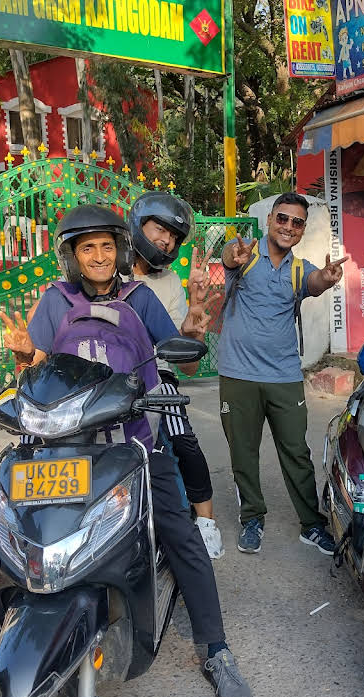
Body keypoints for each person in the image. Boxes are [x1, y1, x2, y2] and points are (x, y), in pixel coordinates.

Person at [0, 204, 252, 697]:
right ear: (71, 254)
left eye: (107, 247)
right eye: (86, 247)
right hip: (65, 448)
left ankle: (216, 649)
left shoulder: (140, 298)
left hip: (133, 442)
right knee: (18, 542)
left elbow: (180, 356)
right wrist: (26, 355)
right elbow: (39, 368)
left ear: (120, 251)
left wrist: (196, 328)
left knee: (181, 535)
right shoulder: (55, 299)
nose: (98, 256)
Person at [218, 192, 346, 555]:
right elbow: (229, 256)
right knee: (243, 452)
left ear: (302, 229)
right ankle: (252, 518)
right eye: (283, 219)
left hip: (284, 375)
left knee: (296, 451)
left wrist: (327, 276)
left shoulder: (298, 268)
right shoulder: (244, 253)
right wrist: (233, 256)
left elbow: (315, 283)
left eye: (297, 222)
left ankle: (311, 524)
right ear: (270, 219)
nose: (289, 226)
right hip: (238, 374)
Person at [128, 191, 224, 559]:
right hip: (110, 372)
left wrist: (192, 333)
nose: (166, 240)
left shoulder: (168, 282)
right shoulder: (110, 272)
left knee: (183, 438)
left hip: (158, 375)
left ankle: (206, 522)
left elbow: (187, 366)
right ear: (138, 224)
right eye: (160, 229)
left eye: (173, 236)